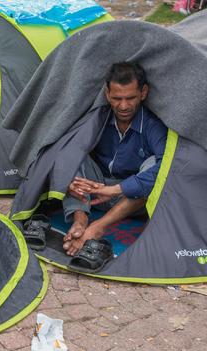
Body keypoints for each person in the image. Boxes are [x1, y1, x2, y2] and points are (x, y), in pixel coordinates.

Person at [63, 62, 167, 256]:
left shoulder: (153, 126)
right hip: (93, 194)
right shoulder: (98, 118)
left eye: (130, 98)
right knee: (72, 155)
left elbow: (167, 168)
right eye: (117, 98)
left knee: (156, 165)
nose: (124, 106)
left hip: (131, 200)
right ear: (107, 94)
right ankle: (80, 220)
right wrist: (65, 181)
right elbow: (64, 152)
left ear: (143, 93)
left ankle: (98, 227)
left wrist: (115, 189)